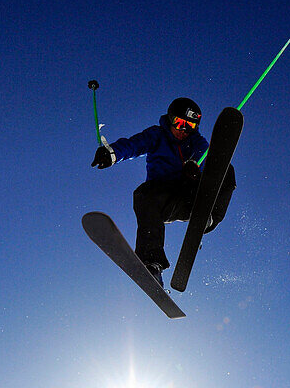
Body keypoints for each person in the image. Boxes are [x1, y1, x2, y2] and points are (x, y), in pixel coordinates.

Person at [91, 97, 236, 285]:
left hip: (191, 196)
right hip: (163, 199)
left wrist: (197, 168)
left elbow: (209, 162)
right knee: (143, 194)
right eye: (180, 123)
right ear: (170, 118)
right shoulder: (157, 135)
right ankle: (152, 264)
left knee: (226, 169)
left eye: (191, 126)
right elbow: (133, 145)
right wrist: (112, 154)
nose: (184, 130)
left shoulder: (197, 143)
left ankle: (209, 217)